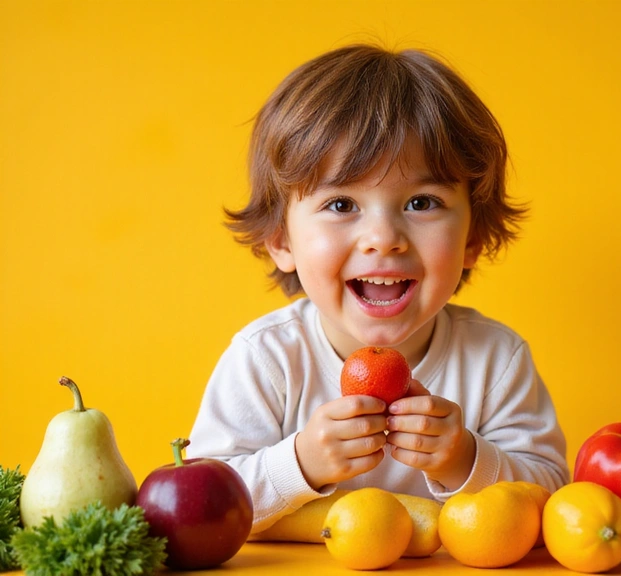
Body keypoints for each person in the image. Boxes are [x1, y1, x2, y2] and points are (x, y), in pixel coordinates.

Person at [187, 43, 569, 536]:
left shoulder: (495, 359)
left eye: (422, 201)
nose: (384, 238)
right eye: (343, 205)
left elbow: (555, 497)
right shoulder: (267, 359)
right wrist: (299, 463)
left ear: (472, 238)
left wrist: (466, 460)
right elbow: (202, 502)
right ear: (281, 240)